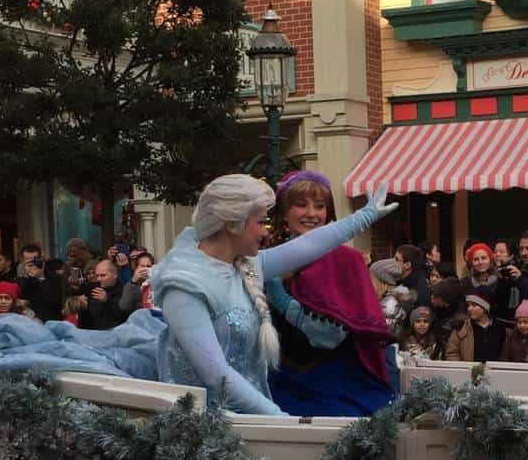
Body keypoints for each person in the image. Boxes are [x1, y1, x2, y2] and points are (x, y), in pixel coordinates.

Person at [149, 175, 397, 416]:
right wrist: (281, 420)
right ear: (232, 224)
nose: (265, 232)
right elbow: (217, 375)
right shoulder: (184, 286)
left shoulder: (248, 264)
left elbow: (310, 245)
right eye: (260, 222)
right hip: (202, 425)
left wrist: (365, 216)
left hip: (249, 416)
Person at [265, 170, 397, 417]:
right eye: (300, 205)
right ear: (283, 212)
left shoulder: (347, 260)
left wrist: (281, 301)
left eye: (320, 206)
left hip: (336, 388)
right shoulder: (268, 257)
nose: (311, 214)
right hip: (278, 385)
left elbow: (328, 337)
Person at [443, 289, 507, 363]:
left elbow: (504, 354)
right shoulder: (461, 328)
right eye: (468, 305)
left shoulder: (499, 328)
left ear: (485, 308)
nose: (469, 308)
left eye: (474, 305)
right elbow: (452, 354)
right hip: (467, 373)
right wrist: (463, 370)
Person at [77, 260, 129, 332]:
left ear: (115, 275)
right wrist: (83, 308)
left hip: (116, 336)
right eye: (97, 275)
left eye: (103, 275)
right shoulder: (91, 289)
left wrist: (107, 301)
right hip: (94, 336)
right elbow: (85, 322)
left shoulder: (125, 291)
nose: (99, 279)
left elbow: (124, 317)